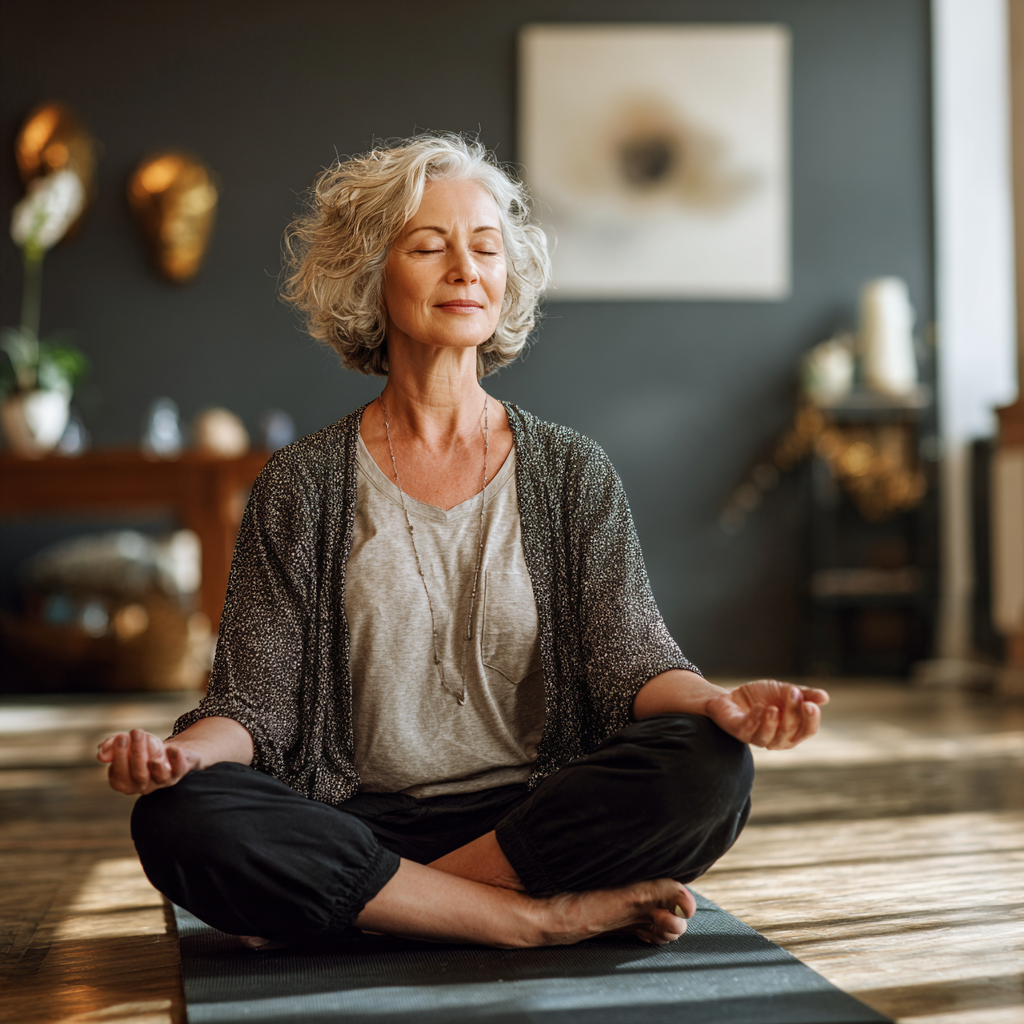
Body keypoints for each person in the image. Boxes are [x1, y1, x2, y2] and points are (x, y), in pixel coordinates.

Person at [98, 134, 828, 951]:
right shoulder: (301, 486)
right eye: (428, 246)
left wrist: (720, 705)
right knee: (179, 819)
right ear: (371, 273)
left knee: (711, 768)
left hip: (529, 818)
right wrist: (183, 759)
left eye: (485, 248)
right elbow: (255, 704)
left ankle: (384, 907)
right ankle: (526, 920)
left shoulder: (571, 470)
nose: (465, 269)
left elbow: (631, 654)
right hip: (356, 816)